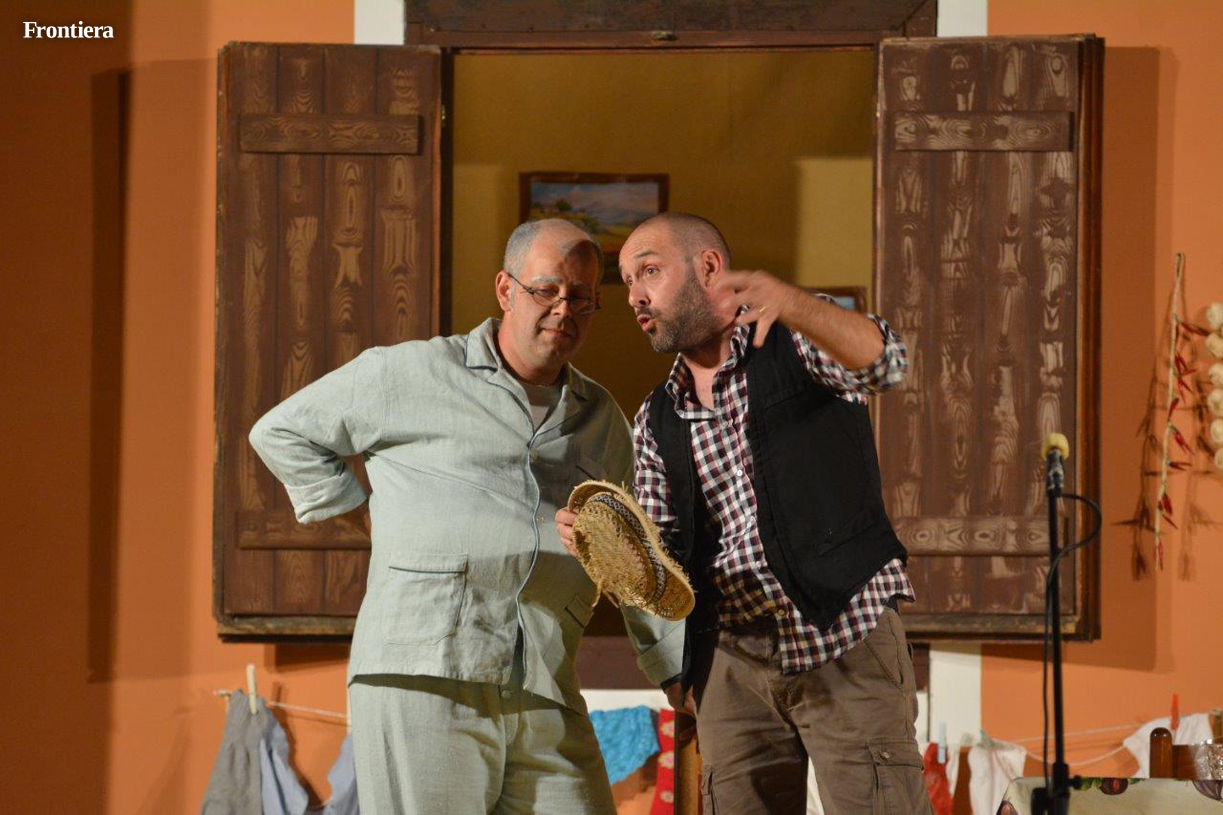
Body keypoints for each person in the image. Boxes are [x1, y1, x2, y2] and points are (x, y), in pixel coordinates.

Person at [248, 218, 683, 814]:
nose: (563, 309)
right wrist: (366, 520)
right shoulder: (408, 373)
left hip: (545, 679)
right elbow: (281, 432)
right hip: (424, 673)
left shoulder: (601, 417)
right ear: (506, 290)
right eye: (546, 290)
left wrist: (673, 672)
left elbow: (632, 554)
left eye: (581, 298)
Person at [601, 212, 927, 814]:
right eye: (626, 281)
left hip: (843, 633)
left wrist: (793, 302)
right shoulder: (655, 418)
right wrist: (605, 545)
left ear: (708, 267)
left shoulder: (795, 340)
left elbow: (887, 364)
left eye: (649, 271)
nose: (635, 297)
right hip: (732, 663)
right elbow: (659, 563)